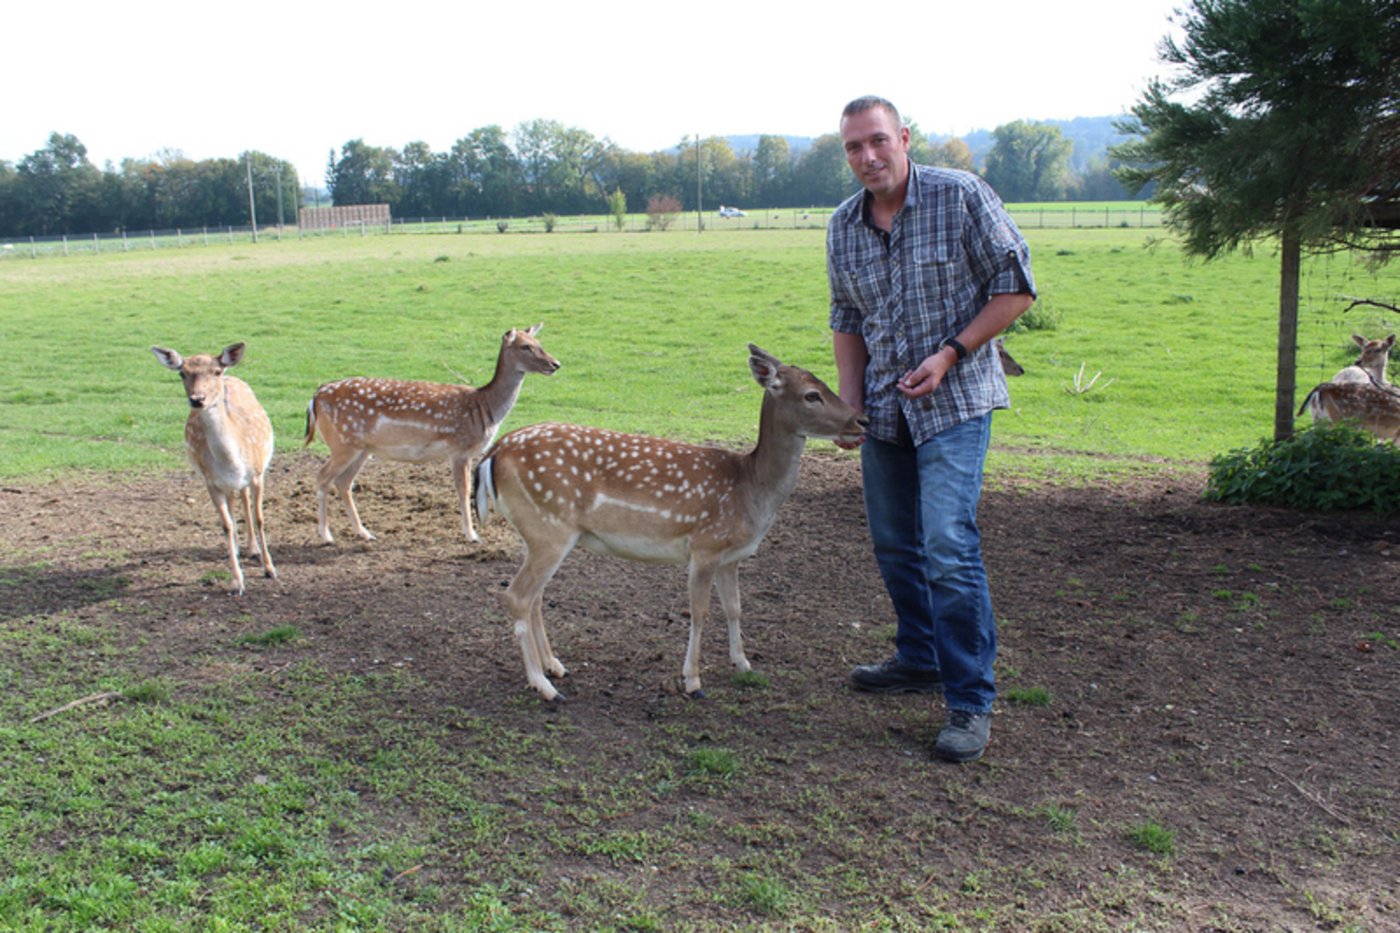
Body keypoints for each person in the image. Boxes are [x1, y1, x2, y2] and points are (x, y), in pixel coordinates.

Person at [827, 95, 1036, 763]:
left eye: (878, 141)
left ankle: (970, 700)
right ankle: (919, 654)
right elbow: (846, 319)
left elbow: (1017, 287)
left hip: (957, 400)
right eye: (855, 147)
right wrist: (850, 405)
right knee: (894, 544)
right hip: (886, 409)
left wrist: (951, 352)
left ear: (905, 138)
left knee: (947, 540)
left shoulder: (961, 197)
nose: (868, 157)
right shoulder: (842, 226)